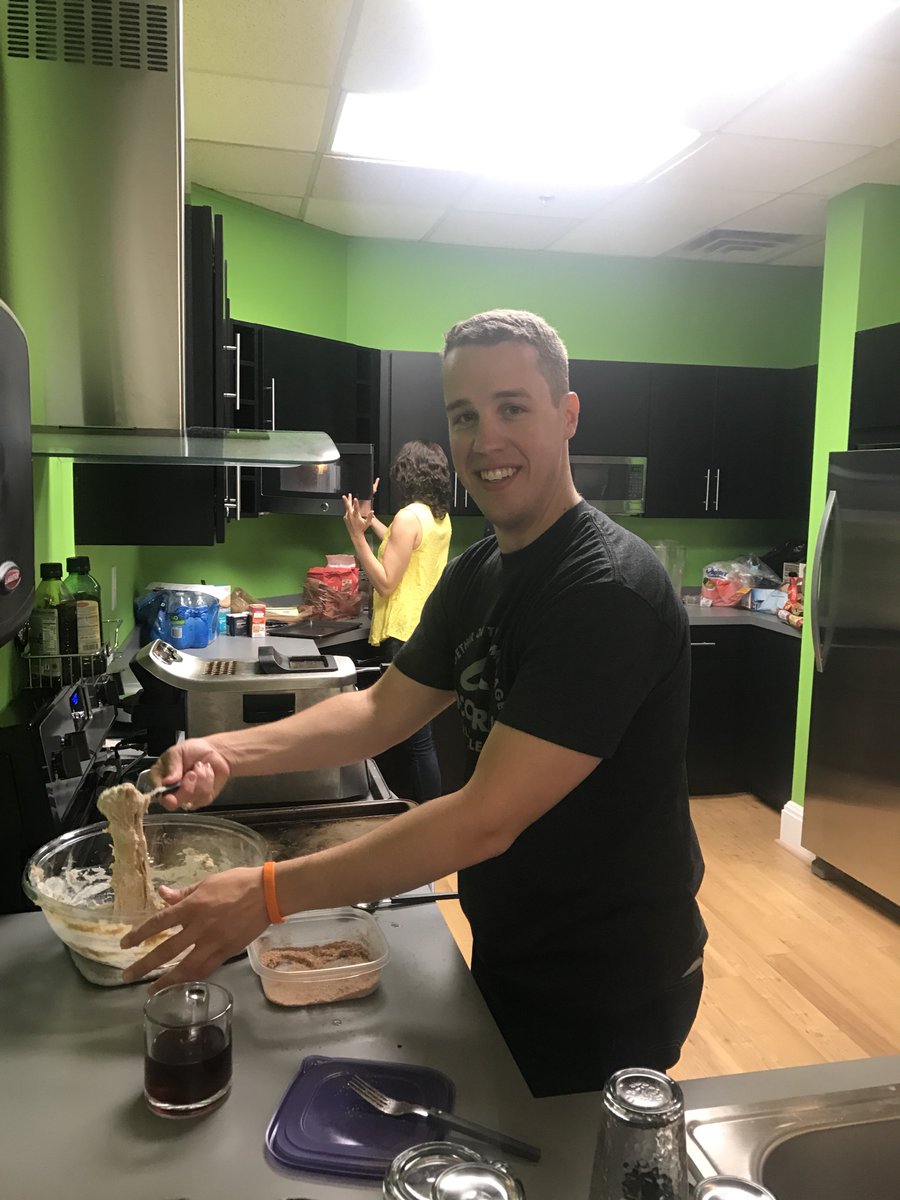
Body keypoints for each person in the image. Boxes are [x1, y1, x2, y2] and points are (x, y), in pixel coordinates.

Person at [122, 309, 707, 1098]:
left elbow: (484, 817)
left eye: (512, 408)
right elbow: (378, 712)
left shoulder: (605, 590)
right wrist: (229, 753)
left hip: (610, 974)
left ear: (566, 416)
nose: (485, 440)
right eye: (464, 415)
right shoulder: (479, 574)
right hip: (516, 941)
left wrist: (265, 896)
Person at [343, 440, 452, 802]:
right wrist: (371, 519)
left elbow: (386, 582)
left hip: (404, 635)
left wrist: (356, 536)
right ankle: (425, 815)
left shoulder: (409, 518)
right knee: (420, 736)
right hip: (429, 632)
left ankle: (425, 818)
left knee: (416, 741)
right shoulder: (437, 518)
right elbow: (402, 544)